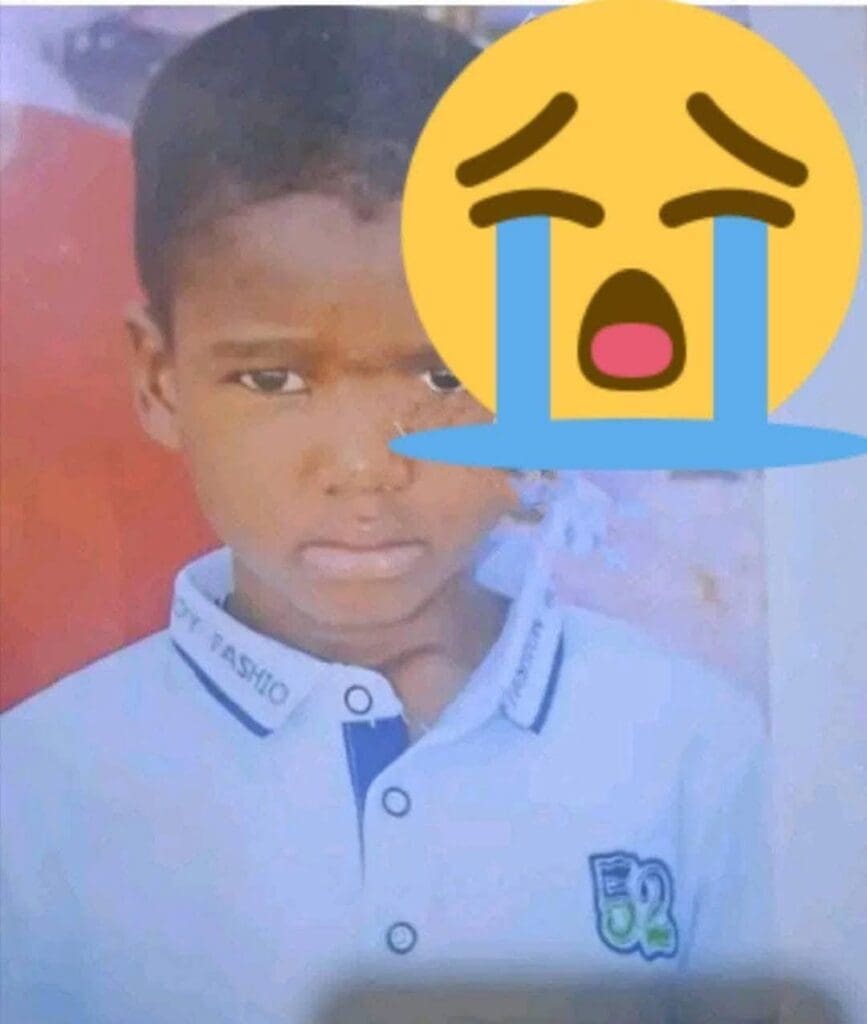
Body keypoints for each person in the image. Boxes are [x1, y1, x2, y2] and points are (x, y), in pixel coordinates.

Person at [0, 9, 772, 1024]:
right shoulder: (36, 790)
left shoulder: (697, 751)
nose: (365, 469)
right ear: (158, 379)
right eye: (273, 378)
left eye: (446, 375)